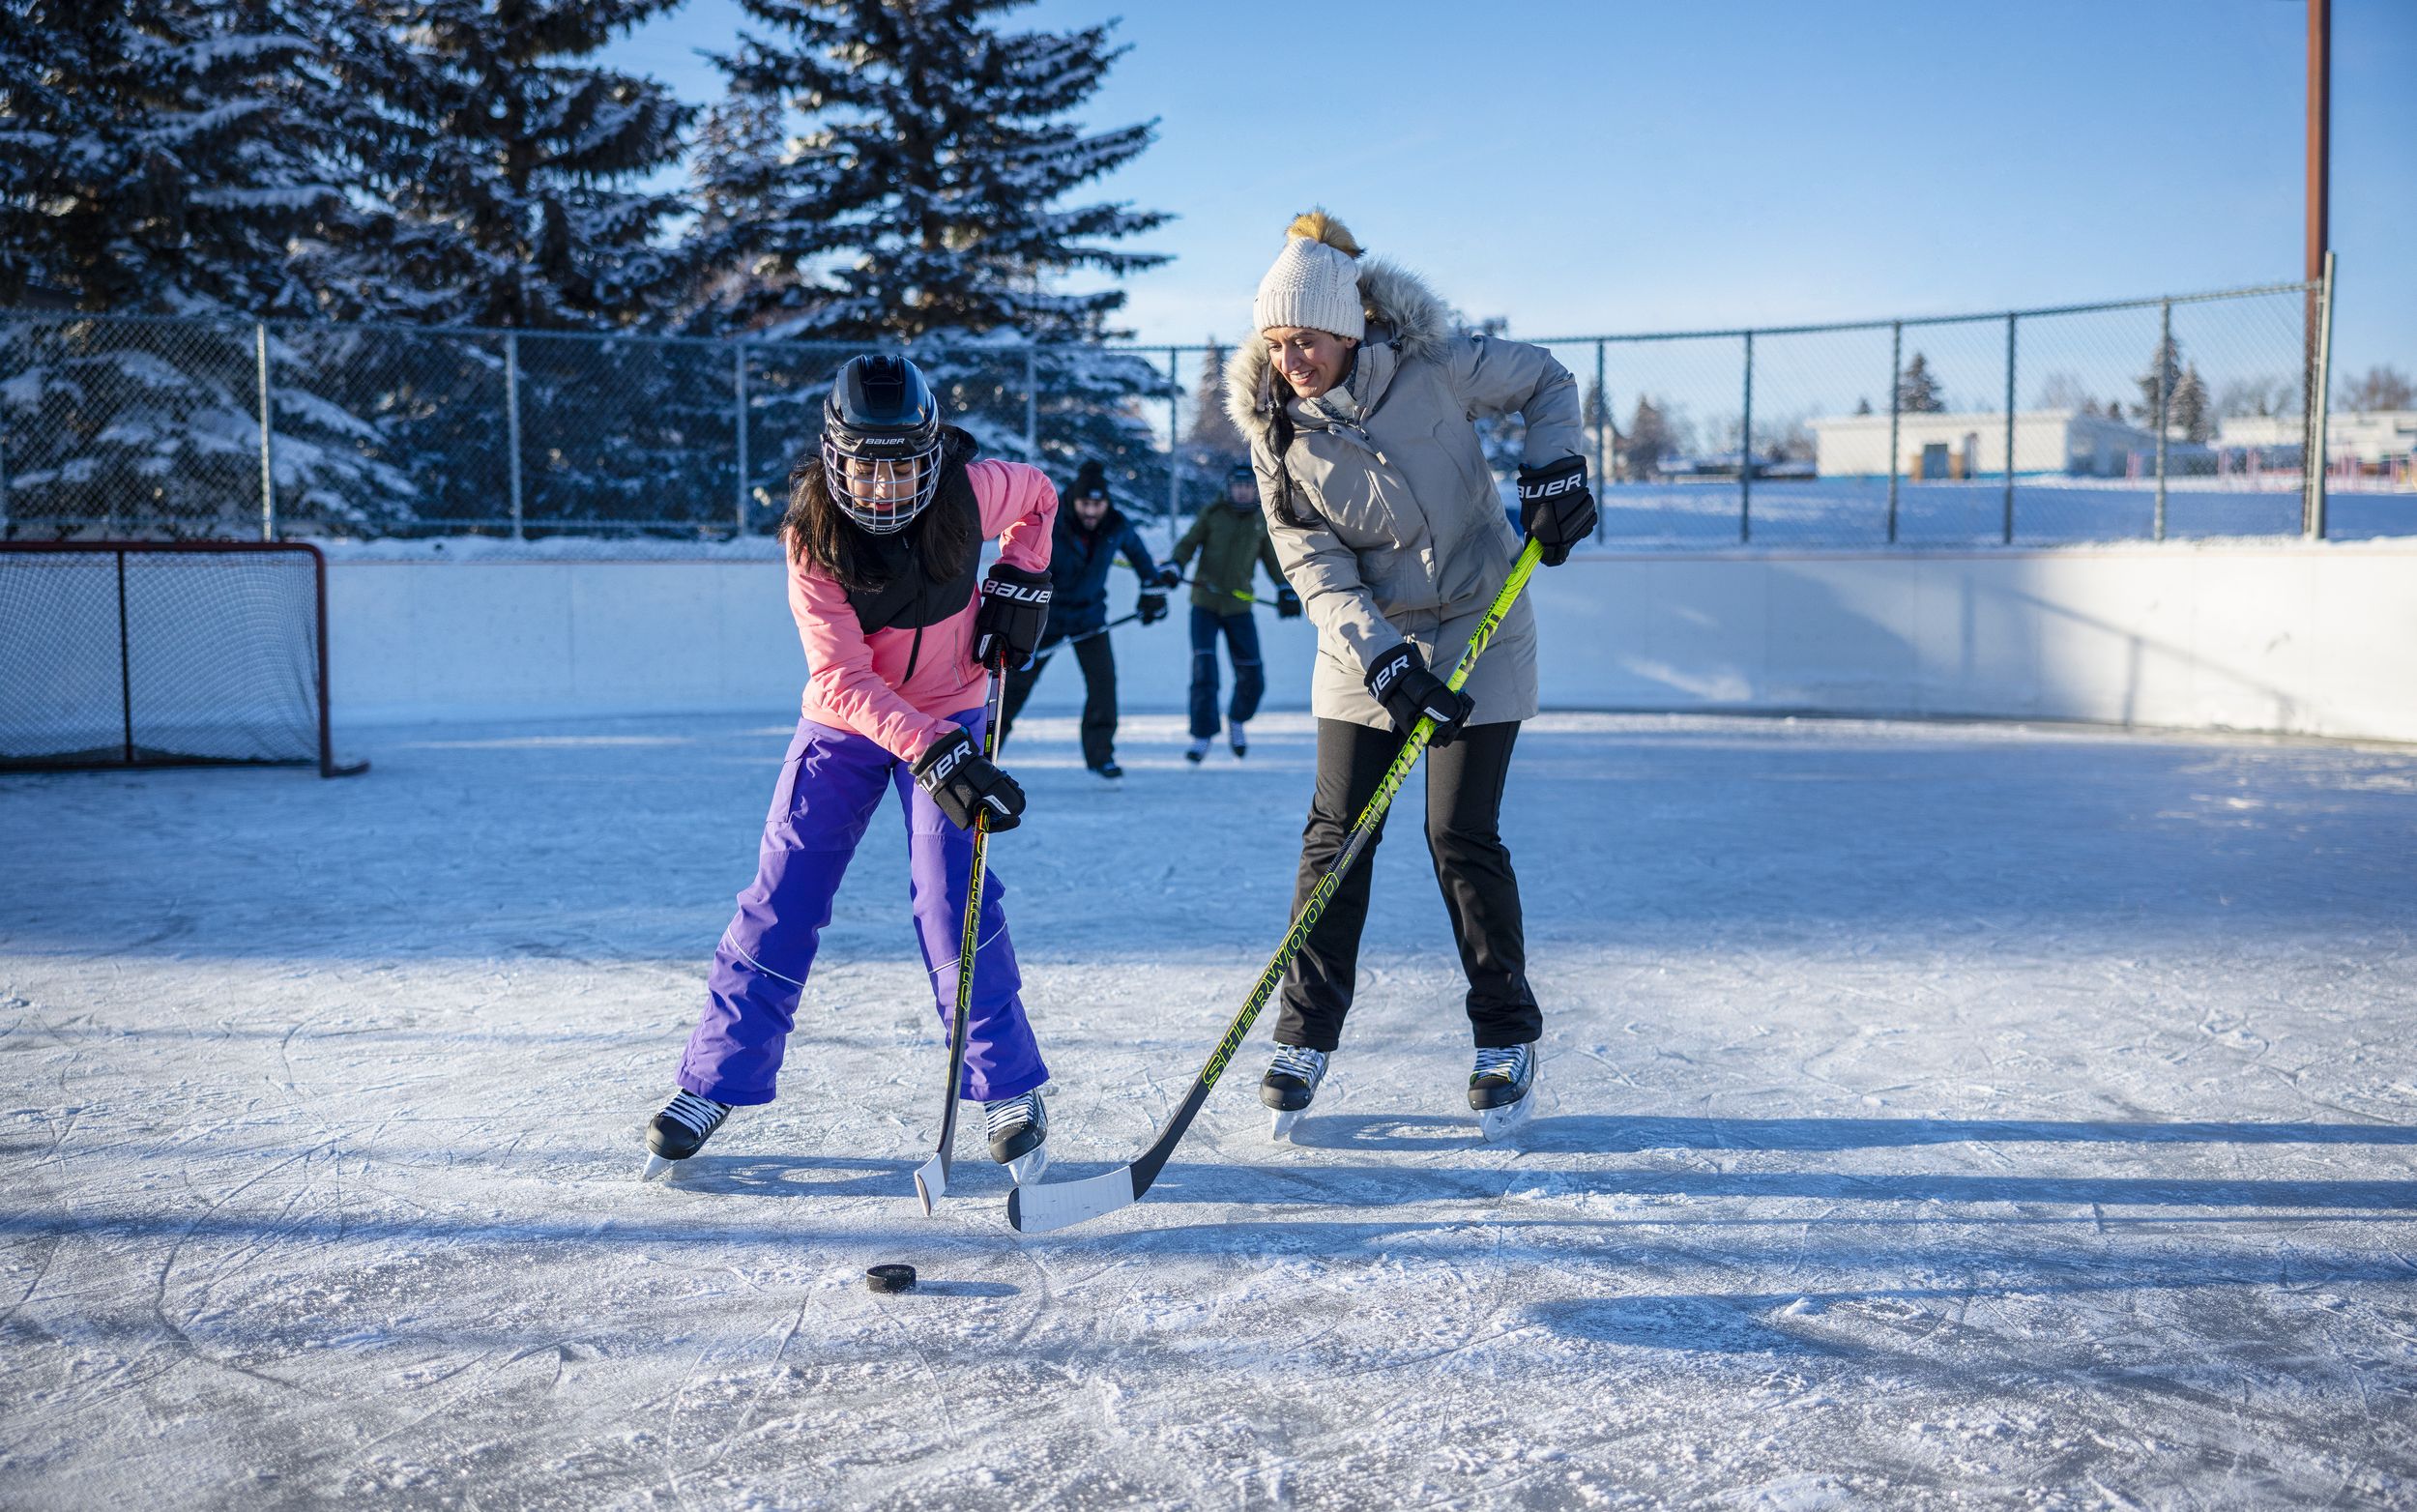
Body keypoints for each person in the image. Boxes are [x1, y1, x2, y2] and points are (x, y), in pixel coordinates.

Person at [1222, 212, 1597, 1140]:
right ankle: (1304, 1035)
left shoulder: (1436, 365)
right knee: (1335, 833)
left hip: (1483, 617)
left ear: (1347, 329)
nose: (1289, 359)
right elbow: (1312, 563)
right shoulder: (1275, 430)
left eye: (1303, 338)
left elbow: (1547, 378)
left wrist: (1552, 472)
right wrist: (1383, 659)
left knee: (1458, 833)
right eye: (1275, 343)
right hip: (1368, 640)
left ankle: (1505, 1034)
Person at [644, 354, 1062, 1184]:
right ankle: (715, 1080)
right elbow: (841, 677)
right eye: (866, 468)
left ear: (933, 456)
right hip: (847, 724)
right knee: (784, 892)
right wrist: (936, 751)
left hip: (950, 705)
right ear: (835, 458)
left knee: (954, 897)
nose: (883, 488)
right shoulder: (811, 538)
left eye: (903, 466)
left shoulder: (974, 494)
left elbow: (1042, 497)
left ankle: (1008, 1089)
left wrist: (1023, 577)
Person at [998, 459, 1175, 781]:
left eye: (1098, 504)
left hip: (1090, 616)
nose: (1091, 512)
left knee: (1103, 683)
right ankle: (988, 751)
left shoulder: (1116, 524)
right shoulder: (1052, 520)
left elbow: (1139, 555)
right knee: (1017, 683)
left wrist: (1152, 589)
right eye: (1085, 504)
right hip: (1046, 616)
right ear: (1073, 500)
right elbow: (1020, 558)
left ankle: (1100, 755)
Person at [1167, 463, 1299, 763]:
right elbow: (1188, 544)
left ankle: (1237, 719)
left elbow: (1273, 562)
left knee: (1251, 673)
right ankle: (1202, 735)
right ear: (1228, 488)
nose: (1242, 491)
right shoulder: (1212, 515)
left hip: (1239, 608)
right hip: (1205, 605)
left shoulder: (1260, 521)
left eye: (1248, 486)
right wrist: (1175, 566)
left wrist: (1285, 589)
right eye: (1237, 485)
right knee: (1205, 673)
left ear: (1255, 490)